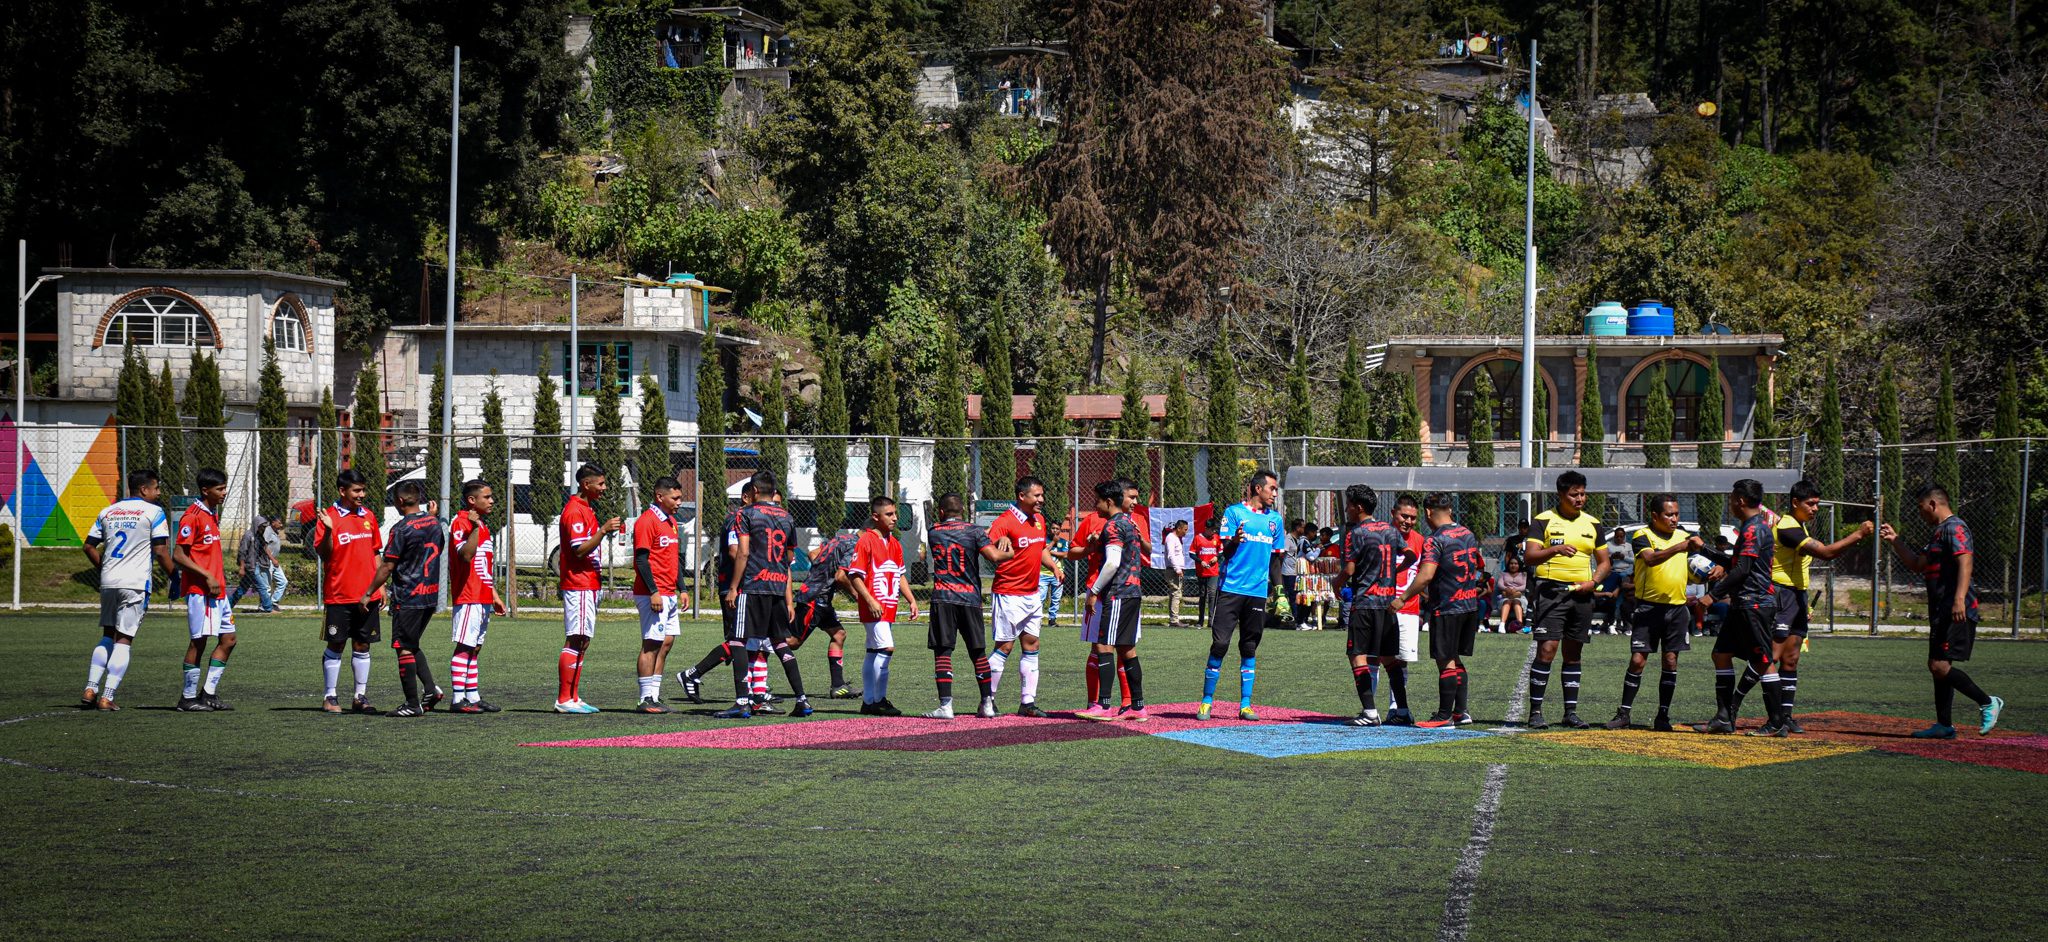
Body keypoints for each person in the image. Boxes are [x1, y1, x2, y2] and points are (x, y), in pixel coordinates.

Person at [1733, 479, 1873, 732]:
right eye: (1810, 504)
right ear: (1795, 502)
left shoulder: (1799, 526)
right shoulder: (1787, 527)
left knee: (1791, 658)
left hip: (1797, 596)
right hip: (1780, 594)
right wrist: (1858, 534)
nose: (1815, 508)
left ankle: (1785, 717)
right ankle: (1735, 707)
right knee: (1770, 657)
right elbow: (1826, 552)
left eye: (1817, 504)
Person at [1881, 484, 2004, 739]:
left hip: (1956, 609)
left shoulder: (1954, 527)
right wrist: (1895, 540)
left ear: (1933, 504)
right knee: (1936, 665)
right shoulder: (1938, 533)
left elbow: (1965, 559)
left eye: (1921, 507)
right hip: (1941, 611)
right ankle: (1944, 725)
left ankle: (1988, 702)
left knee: (1939, 666)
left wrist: (1959, 599)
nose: (1920, 513)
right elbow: (1917, 564)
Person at [1697, 479, 1790, 736]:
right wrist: (1704, 549)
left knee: (1763, 660)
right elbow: (1736, 562)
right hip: (1743, 603)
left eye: (1731, 499)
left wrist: (1712, 596)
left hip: (1755, 603)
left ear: (1739, 500)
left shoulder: (1755, 530)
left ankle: (1777, 721)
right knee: (1721, 654)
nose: (1729, 503)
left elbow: (1743, 569)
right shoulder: (1750, 526)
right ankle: (1724, 718)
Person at [1603, 494, 1702, 731]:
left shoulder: (1684, 536)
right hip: (1648, 608)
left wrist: (1716, 567)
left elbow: (1700, 560)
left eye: (1677, 514)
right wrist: (1682, 547)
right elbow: (1650, 560)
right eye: (1669, 514)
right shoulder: (1642, 536)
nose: (1674, 519)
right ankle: (1624, 713)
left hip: (1677, 609)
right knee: (1638, 660)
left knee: (1670, 661)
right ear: (1655, 516)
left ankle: (1663, 716)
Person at [1521, 470, 1611, 730]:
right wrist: (1555, 550)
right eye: (1574, 494)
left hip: (1582, 594)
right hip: (1551, 592)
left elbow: (1605, 562)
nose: (1580, 498)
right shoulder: (1543, 520)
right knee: (1547, 649)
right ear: (1561, 495)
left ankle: (1570, 712)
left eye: (1583, 493)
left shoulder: (1593, 524)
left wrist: (1593, 582)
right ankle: (1536, 712)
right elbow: (1530, 557)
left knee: (1573, 653)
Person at [80, 469, 173, 711]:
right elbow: (162, 551)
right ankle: (107, 696)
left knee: (108, 634)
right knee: (124, 639)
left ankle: (90, 688)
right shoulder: (154, 512)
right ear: (144, 490)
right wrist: (176, 576)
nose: (159, 492)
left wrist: (104, 568)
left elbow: (88, 546)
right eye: (156, 488)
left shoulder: (108, 511)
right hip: (134, 583)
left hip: (109, 582)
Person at [716, 471, 803, 719]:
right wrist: (788, 596)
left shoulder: (745, 514)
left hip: (753, 585)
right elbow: (787, 559)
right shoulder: (787, 516)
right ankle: (801, 699)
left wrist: (733, 587)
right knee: (778, 643)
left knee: (737, 640)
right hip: (777, 586)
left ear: (753, 491)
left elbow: (741, 553)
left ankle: (742, 702)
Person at [1199, 470, 1285, 721]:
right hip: (1231, 590)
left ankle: (1245, 704)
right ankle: (1206, 701)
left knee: (1249, 647)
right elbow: (1225, 549)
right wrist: (1236, 540)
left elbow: (1276, 560)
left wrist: (1279, 593)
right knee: (1220, 644)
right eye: (1272, 488)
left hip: (1257, 593)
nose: (1275, 494)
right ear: (1258, 489)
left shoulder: (1275, 521)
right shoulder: (1234, 513)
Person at [922, 493, 1016, 719]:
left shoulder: (933, 532)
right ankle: (987, 704)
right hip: (969, 598)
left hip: (943, 597)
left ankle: (946, 706)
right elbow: (993, 556)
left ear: (942, 512)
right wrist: (1009, 549)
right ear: (963, 511)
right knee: (978, 652)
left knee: (943, 651)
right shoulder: (974, 531)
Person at [1398, 493, 1484, 727]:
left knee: (1445, 660)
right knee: (1455, 659)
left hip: (1447, 607)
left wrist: (1403, 597)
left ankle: (1444, 715)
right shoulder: (1467, 533)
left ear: (1427, 512)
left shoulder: (1434, 540)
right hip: (1469, 605)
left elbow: (1425, 576)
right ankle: (1462, 712)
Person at [362, 480, 445, 717]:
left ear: (399, 501)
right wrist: (431, 517)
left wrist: (369, 592)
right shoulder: (435, 523)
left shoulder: (400, 529)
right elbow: (436, 546)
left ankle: (412, 704)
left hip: (408, 596)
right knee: (411, 643)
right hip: (429, 595)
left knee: (403, 649)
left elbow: (388, 566)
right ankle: (430, 690)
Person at [676, 477, 757, 704]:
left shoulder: (749, 519)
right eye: (758, 498)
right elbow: (734, 551)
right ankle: (693, 674)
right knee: (738, 640)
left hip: (745, 587)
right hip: (733, 588)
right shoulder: (736, 519)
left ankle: (752, 688)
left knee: (745, 639)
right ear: (746, 497)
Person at [313, 469, 385, 714]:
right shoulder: (328, 517)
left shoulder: (369, 516)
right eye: (357, 490)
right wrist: (330, 530)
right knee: (337, 644)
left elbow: (376, 551)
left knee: (363, 645)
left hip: (367, 595)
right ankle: (330, 696)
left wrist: (381, 585)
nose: (362, 494)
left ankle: (359, 696)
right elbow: (324, 553)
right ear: (342, 491)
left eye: (363, 489)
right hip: (339, 594)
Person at [1079, 480, 1149, 721]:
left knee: (1102, 646)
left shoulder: (1113, 525)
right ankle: (1138, 707)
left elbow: (1111, 563)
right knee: (1127, 648)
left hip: (1118, 593)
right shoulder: (1130, 522)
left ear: (1108, 502)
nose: (1094, 504)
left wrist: (1094, 591)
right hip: (1133, 592)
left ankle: (1104, 705)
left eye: (1097, 500)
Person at [557, 463, 622, 713]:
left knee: (583, 640)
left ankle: (573, 697)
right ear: (587, 484)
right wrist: (603, 530)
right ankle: (564, 698)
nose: (604, 488)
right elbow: (578, 550)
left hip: (588, 583)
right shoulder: (574, 510)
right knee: (576, 638)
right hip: (579, 582)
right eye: (601, 483)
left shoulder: (586, 509)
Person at [171, 468, 238, 712]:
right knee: (198, 642)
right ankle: (187, 699)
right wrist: (207, 575)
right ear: (205, 490)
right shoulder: (193, 516)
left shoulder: (211, 514)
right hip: (201, 592)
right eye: (219, 489)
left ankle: (208, 694)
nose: (224, 492)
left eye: (224, 487)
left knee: (229, 640)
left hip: (217, 593)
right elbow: (178, 555)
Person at [1340, 484, 1406, 726]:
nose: (1346, 509)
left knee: (1357, 656)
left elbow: (1349, 569)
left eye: (1348, 504)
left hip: (1366, 602)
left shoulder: (1355, 533)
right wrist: (1391, 572)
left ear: (1358, 507)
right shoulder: (1390, 530)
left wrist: (1335, 583)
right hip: (1388, 603)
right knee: (1390, 659)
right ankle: (1403, 710)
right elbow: (1408, 555)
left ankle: (1369, 712)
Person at [846, 496, 915, 716]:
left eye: (895, 513)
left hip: (889, 605)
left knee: (873, 651)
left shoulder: (894, 542)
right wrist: (870, 600)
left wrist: (911, 599)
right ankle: (878, 699)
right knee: (886, 648)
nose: (894, 518)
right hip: (874, 606)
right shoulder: (866, 540)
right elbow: (855, 575)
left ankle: (869, 701)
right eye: (889, 514)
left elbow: (900, 574)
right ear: (875, 517)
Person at [986, 477, 1051, 715]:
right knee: (1004, 646)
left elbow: (1040, 549)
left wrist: (1053, 567)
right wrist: (1000, 539)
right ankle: (987, 700)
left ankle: (1027, 703)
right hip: (1009, 594)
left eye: (1042, 495)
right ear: (1022, 496)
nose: (1041, 500)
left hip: (1032, 594)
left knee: (1032, 645)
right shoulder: (1004, 521)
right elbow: (989, 546)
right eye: (1037, 496)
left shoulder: (1039, 521)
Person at [446, 479, 509, 714]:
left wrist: (493, 594)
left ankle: (472, 696)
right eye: (487, 497)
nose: (492, 500)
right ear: (472, 500)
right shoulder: (462, 522)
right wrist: (472, 528)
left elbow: (482, 566)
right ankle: (457, 699)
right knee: (465, 645)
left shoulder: (480, 524)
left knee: (476, 646)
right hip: (468, 595)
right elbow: (466, 556)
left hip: (482, 594)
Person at [631, 477, 687, 714]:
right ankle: (645, 699)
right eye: (675, 498)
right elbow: (641, 560)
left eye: (680, 497)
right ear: (659, 497)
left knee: (666, 643)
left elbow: (673, 559)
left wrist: (682, 588)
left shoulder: (671, 522)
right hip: (652, 593)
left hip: (669, 593)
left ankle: (654, 695)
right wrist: (654, 591)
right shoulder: (647, 521)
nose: (679, 502)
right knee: (651, 644)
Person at [790, 525, 859, 699]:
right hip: (814, 598)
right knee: (792, 642)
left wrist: (822, 573)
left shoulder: (841, 539)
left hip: (821, 598)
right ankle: (745, 650)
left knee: (839, 635)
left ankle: (838, 686)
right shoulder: (855, 545)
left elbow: (813, 554)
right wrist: (860, 597)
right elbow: (841, 577)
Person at [1385, 495, 1427, 724]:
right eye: (1404, 516)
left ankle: (1395, 707)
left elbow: (1423, 574)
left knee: (1401, 660)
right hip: (1381, 606)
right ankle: (1369, 709)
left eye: (1412, 518)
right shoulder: (1382, 535)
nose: (1408, 521)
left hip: (1408, 608)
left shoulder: (1420, 540)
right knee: (1373, 658)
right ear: (1393, 513)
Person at [228, 515, 282, 613]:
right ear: (256, 525)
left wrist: (272, 559)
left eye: (265, 527)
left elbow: (264, 547)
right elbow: (242, 552)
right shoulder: (248, 535)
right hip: (250, 567)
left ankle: (227, 607)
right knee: (262, 587)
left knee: (242, 589)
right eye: (262, 527)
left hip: (255, 565)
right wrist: (242, 567)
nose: (263, 529)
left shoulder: (259, 535)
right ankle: (268, 608)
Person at [1600, 526, 1636, 635]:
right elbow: (1604, 559)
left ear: (1624, 537)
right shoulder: (1609, 545)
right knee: (1616, 592)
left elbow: (1633, 561)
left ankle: (1617, 621)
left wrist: (1623, 557)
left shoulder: (1628, 546)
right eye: (1617, 537)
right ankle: (1614, 622)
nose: (1619, 539)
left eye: (1621, 537)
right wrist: (1612, 557)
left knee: (1622, 593)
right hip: (1613, 572)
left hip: (1626, 572)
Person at [1191, 516, 1221, 625]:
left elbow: (1221, 550)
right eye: (1212, 529)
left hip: (1213, 572)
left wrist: (1217, 557)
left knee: (1212, 594)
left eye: (1215, 529)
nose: (1214, 531)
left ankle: (1211, 620)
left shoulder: (1216, 538)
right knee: (1202, 595)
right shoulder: (1198, 538)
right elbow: (1192, 554)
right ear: (1206, 528)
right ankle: (1200, 620)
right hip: (1202, 572)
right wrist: (1200, 561)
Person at [1041, 521, 1070, 629]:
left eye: (1057, 529)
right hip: (1043, 573)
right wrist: (1053, 542)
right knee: (1040, 597)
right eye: (1053, 528)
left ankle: (1052, 619)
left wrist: (1050, 552)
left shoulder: (1063, 542)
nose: (1055, 530)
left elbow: (1065, 554)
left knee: (1056, 598)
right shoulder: (1044, 541)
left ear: (1060, 530)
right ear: (1049, 529)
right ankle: (1037, 619)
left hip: (1057, 574)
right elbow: (1042, 552)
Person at [1164, 519, 1191, 627]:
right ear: (1178, 528)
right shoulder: (1171, 538)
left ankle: (1173, 619)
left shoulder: (1176, 538)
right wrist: (1177, 569)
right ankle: (1174, 620)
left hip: (1175, 570)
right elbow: (1171, 555)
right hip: (1173, 570)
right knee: (1176, 593)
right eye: (1185, 529)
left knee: (1175, 593)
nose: (1186, 532)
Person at [1497, 555, 1527, 633]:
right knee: (1507, 602)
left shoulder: (1523, 574)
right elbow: (1500, 584)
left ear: (1519, 565)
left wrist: (1515, 590)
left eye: (1516, 563)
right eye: (1511, 563)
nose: (1513, 565)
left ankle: (1519, 626)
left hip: (1520, 596)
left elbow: (1524, 586)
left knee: (1517, 601)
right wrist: (1506, 589)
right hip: (1505, 596)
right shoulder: (1503, 574)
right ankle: (1502, 625)